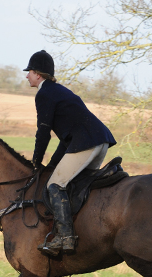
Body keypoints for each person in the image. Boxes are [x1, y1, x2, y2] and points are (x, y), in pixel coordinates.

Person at [24, 50, 117, 256]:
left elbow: (44, 132)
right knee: (74, 184)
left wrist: (36, 161)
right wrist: (51, 165)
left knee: (55, 185)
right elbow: (66, 139)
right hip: (100, 140)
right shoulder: (60, 91)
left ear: (38, 74)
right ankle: (84, 229)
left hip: (87, 142)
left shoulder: (44, 93)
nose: (27, 75)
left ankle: (65, 237)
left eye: (29, 71)